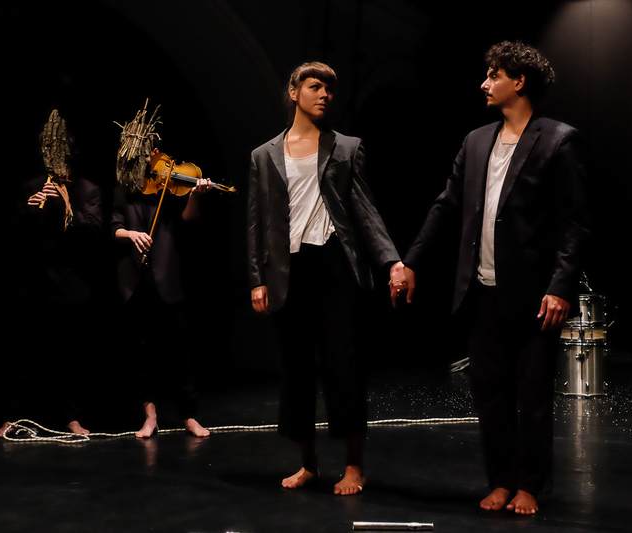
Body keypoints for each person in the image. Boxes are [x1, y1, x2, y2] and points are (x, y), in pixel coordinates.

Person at [390, 41, 590, 514]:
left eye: (494, 75)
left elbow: (574, 223)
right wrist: (411, 261)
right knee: (490, 393)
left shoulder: (558, 139)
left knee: (533, 396)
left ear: (519, 81)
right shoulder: (476, 140)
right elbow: (446, 206)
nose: (484, 83)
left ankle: (529, 485)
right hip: (481, 292)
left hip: (535, 295)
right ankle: (500, 479)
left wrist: (560, 287)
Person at [247, 62, 402, 495]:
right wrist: (256, 278)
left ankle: (354, 466)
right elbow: (256, 222)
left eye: (330, 89)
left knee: (343, 365)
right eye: (315, 86)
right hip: (287, 269)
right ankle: (309, 465)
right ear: (294, 91)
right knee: (295, 369)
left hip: (335, 265)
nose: (324, 95)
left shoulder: (346, 148)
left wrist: (391, 262)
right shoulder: (263, 155)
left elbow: (366, 213)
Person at [0, 118, 103, 438]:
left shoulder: (87, 189)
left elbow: (94, 233)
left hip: (71, 285)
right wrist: (29, 213)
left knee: (71, 357)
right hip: (35, 285)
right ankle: (14, 417)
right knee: (24, 355)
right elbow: (12, 237)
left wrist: (65, 206)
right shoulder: (32, 186)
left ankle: (71, 418)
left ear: (71, 152)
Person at [111, 150, 213, 438]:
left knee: (180, 351)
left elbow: (187, 219)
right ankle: (150, 416)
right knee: (142, 354)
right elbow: (113, 227)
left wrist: (195, 197)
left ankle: (189, 415)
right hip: (134, 278)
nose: (152, 155)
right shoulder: (123, 188)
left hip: (167, 275)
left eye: (154, 150)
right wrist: (131, 234)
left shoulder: (167, 186)